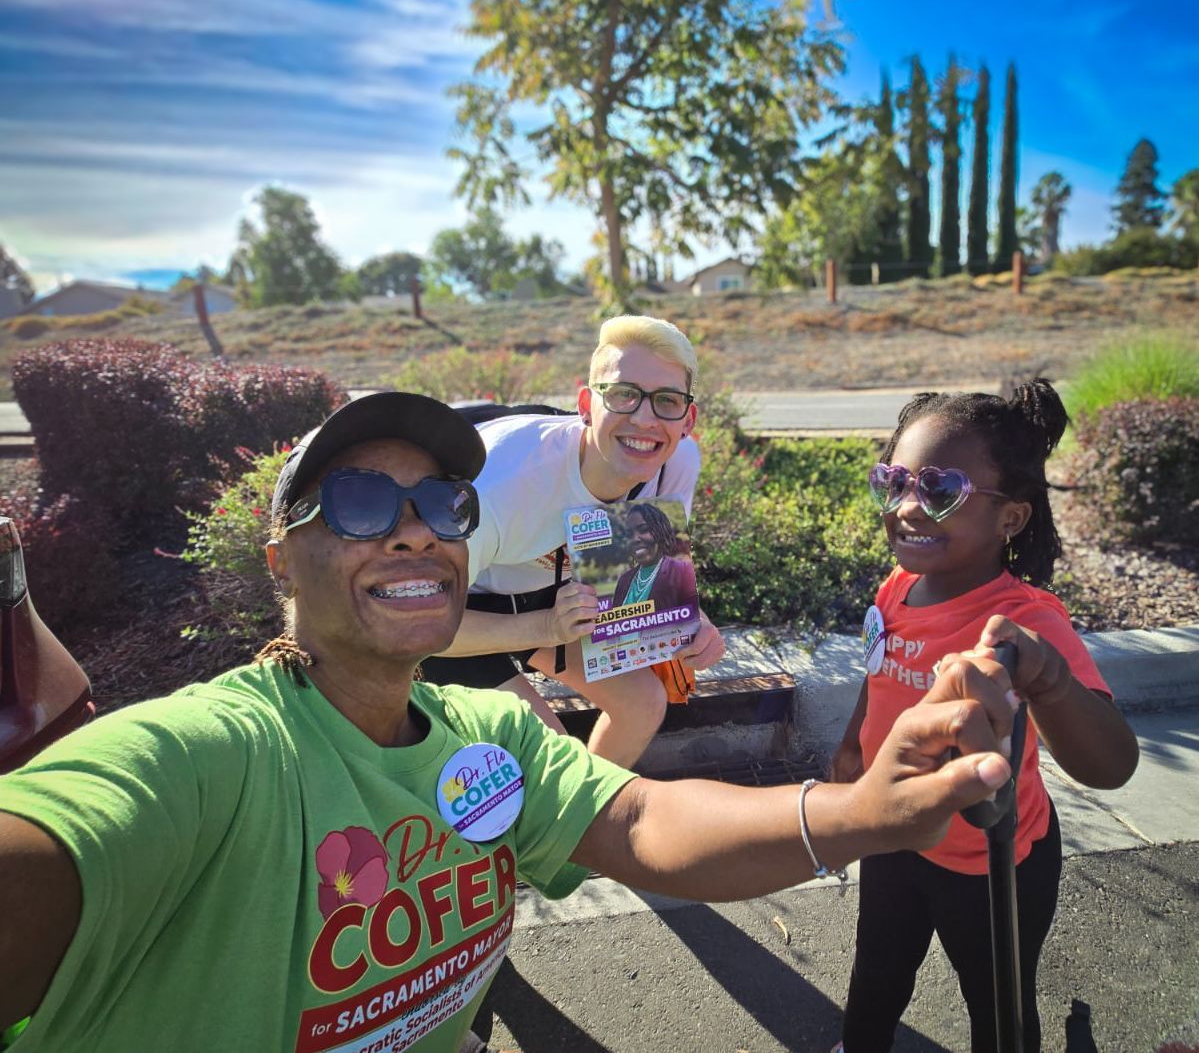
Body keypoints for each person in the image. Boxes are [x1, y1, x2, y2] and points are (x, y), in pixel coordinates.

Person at [0, 391, 1023, 1053]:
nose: (414, 531)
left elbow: (639, 820)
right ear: (281, 559)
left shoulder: (491, 735)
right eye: (358, 504)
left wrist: (862, 812)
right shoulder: (209, 755)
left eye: (443, 506)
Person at [829, 379, 1139, 1053]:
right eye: (894, 482)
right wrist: (854, 743)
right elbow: (881, 671)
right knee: (876, 974)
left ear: (1011, 518)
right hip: (893, 831)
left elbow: (1112, 764)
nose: (907, 506)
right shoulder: (898, 585)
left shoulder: (1026, 621)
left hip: (990, 857)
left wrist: (1047, 677)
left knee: (997, 1005)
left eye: (939, 489)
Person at [420, 315, 724, 768]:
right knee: (551, 756)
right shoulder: (502, 485)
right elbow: (422, 626)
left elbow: (650, 574)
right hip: (456, 614)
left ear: (687, 420)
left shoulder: (675, 463)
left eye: (667, 400)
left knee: (643, 704)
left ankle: (588, 812)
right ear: (586, 404)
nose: (645, 419)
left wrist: (691, 623)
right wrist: (545, 627)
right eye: (623, 394)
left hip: (548, 596)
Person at [610, 501, 698, 612]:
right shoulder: (624, 581)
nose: (635, 539)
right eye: (629, 534)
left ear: (660, 530)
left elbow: (694, 617)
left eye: (644, 530)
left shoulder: (682, 571)